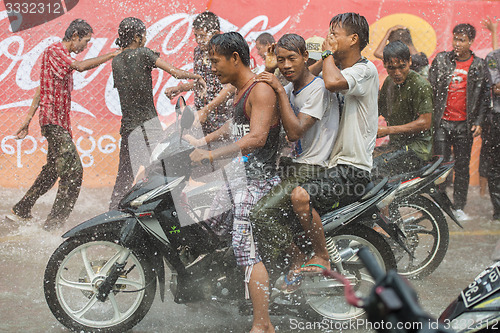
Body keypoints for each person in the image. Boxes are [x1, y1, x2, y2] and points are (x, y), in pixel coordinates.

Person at [189, 32, 280, 333]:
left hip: (258, 182)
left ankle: (263, 324)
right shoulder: (240, 90)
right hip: (239, 177)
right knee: (204, 219)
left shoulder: (261, 90)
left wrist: (211, 154)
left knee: (245, 246)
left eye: (215, 61)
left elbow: (256, 137)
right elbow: (234, 124)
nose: (211, 68)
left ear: (235, 58)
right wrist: (203, 140)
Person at [6, 19, 120, 230]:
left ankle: (22, 209)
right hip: (53, 122)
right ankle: (54, 226)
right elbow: (80, 66)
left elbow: (42, 87)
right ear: (75, 36)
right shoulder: (55, 50)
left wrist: (27, 120)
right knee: (74, 172)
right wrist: (113, 54)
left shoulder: (61, 57)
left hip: (59, 122)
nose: (85, 46)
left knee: (52, 170)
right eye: (85, 41)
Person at [288, 12, 379, 274]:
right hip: (332, 164)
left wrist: (327, 54)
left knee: (300, 196)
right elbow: (305, 80)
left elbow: (331, 83)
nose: (329, 38)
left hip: (353, 168)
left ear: (353, 39)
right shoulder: (341, 66)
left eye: (334, 34)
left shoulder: (364, 70)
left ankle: (322, 256)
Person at [251, 33, 339, 291]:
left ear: (305, 57)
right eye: (281, 60)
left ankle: (297, 257)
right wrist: (268, 71)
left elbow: (295, 132)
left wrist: (278, 87)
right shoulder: (289, 88)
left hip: (312, 168)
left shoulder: (319, 89)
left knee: (260, 213)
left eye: (292, 59)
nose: (286, 65)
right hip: (290, 165)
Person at [108, 17, 206, 210]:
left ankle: (113, 213)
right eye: (143, 35)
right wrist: (196, 77)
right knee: (161, 172)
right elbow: (175, 73)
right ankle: (161, 211)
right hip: (149, 127)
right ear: (137, 37)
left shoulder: (116, 61)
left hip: (128, 128)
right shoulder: (144, 53)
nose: (145, 38)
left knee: (124, 176)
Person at [429, 23, 490, 221]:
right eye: (455, 38)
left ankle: (459, 207)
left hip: (464, 124)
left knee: (462, 167)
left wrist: (479, 121)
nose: (457, 43)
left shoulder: (479, 65)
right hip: (442, 122)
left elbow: (483, 98)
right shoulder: (441, 60)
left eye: (462, 40)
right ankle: (439, 204)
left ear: (471, 42)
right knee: (439, 165)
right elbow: (429, 89)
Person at [164, 11, 235, 137]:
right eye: (196, 35)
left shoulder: (227, 51)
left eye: (202, 36)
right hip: (201, 120)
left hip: (224, 120)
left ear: (216, 33)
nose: (198, 40)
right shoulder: (198, 51)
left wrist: (206, 110)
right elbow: (202, 82)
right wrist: (180, 88)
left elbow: (231, 86)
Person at [374, 41, 433, 178]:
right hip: (396, 145)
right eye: (391, 68)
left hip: (418, 149)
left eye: (402, 67)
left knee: (374, 168)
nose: (397, 73)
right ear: (384, 65)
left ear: (410, 61)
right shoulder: (389, 82)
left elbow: (425, 122)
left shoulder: (421, 85)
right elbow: (377, 111)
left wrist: (387, 130)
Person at [485, 46, 500, 221]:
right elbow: (496, 88)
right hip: (497, 118)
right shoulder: (493, 56)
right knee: (496, 166)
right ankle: (498, 210)